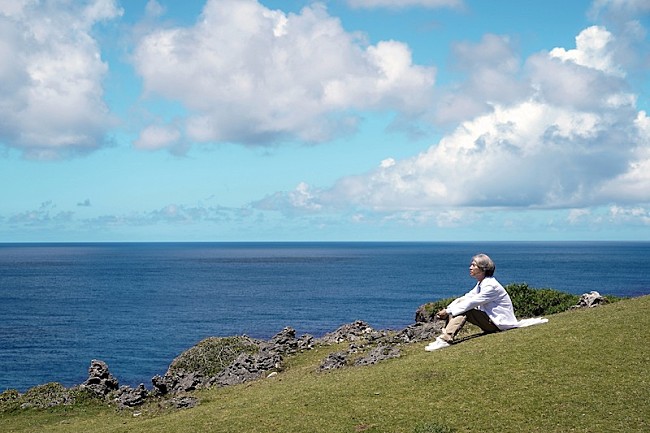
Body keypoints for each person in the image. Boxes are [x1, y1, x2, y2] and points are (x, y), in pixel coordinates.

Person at [425, 253, 520, 351]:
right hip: (493, 321)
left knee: (465, 310)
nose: (470, 268)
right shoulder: (483, 283)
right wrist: (448, 309)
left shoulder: (490, 286)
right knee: (458, 307)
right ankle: (444, 336)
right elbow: (467, 297)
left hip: (500, 324)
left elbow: (471, 303)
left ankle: (446, 339)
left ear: (483, 269)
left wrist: (448, 311)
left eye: (474, 265)